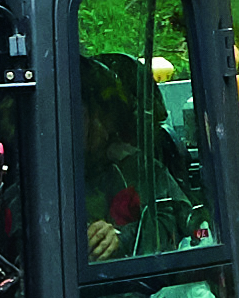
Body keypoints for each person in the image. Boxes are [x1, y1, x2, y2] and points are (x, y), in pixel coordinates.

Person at [78, 56, 205, 263]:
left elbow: (186, 224)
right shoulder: (35, 185)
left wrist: (123, 238)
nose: (100, 124)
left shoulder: (140, 171)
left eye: (103, 113)